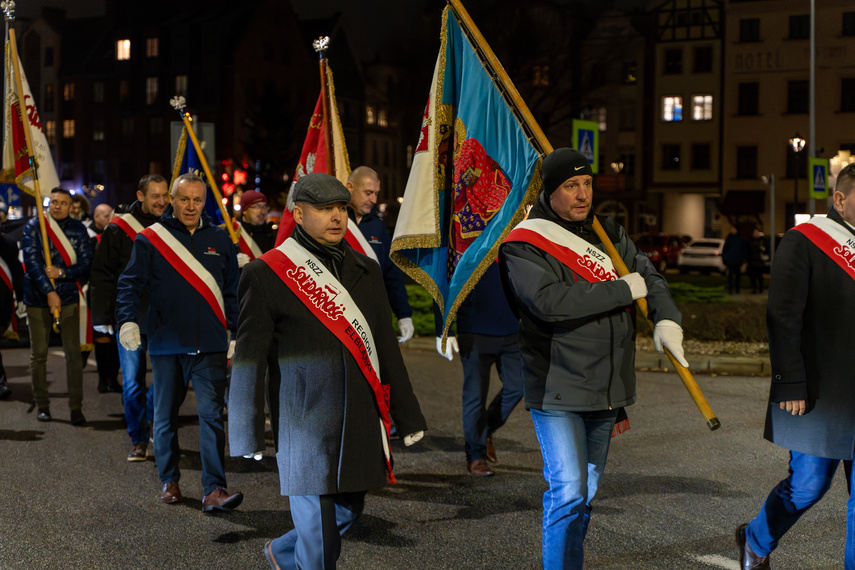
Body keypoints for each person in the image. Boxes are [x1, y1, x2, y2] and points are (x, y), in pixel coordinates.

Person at [498, 148, 687, 570]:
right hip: (557, 387)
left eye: (587, 184)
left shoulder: (608, 233)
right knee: (567, 490)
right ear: (550, 191)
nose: (583, 194)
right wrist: (623, 290)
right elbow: (549, 301)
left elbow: (647, 276)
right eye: (571, 185)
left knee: (584, 493)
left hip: (606, 388)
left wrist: (667, 318)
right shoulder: (524, 244)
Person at [228, 173, 427, 569]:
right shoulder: (266, 274)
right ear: (299, 214)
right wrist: (246, 431)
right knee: (321, 547)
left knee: (350, 508)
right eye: (324, 208)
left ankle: (283, 553)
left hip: (357, 419)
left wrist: (407, 415)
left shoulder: (366, 272)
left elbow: (385, 350)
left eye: (341, 208)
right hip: (303, 425)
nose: (336, 216)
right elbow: (249, 359)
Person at [735, 163, 855, 570]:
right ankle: (755, 540)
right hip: (820, 393)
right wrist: (790, 382)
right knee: (808, 487)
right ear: (839, 200)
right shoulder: (805, 240)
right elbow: (783, 314)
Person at [116, 173, 242, 510]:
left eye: (197, 200)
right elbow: (129, 283)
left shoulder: (219, 237)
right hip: (168, 343)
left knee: (213, 418)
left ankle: (214, 489)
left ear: (205, 201)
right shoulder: (150, 239)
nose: (190, 206)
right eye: (184, 199)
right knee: (165, 417)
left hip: (211, 346)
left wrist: (235, 331)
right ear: (172, 200)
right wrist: (127, 320)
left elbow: (232, 290)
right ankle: (170, 480)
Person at [91, 174, 168, 460]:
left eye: (165, 195)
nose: (162, 201)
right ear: (140, 196)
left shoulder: (174, 225)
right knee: (133, 381)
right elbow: (102, 275)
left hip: (164, 317)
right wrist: (102, 315)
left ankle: (146, 420)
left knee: (166, 379)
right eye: (155, 196)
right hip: (130, 316)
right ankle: (138, 438)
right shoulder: (118, 229)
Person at [434, 263, 523, 477]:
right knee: (475, 396)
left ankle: (486, 430)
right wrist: (443, 329)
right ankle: (475, 456)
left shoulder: (509, 232)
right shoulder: (464, 235)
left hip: (513, 328)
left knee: (520, 387)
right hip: (474, 330)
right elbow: (443, 282)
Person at [22, 187, 93, 424]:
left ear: (70, 206)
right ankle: (42, 403)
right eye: (53, 202)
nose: (57, 206)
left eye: (63, 203)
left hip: (70, 297)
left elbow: (86, 264)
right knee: (39, 354)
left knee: (73, 354)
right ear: (48, 203)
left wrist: (61, 272)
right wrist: (50, 291)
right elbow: (32, 263)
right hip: (37, 297)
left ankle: (76, 407)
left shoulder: (78, 228)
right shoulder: (34, 226)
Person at [346, 166, 414, 343]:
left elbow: (391, 273)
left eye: (376, 193)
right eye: (368, 193)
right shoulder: (334, 220)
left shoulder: (378, 226)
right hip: (340, 314)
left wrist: (403, 314)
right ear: (349, 187)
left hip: (371, 315)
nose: (373, 199)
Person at [86, 203, 120, 392]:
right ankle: (102, 379)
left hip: (114, 294)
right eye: (106, 215)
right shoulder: (90, 237)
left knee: (114, 342)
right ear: (96, 217)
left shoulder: (115, 235)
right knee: (101, 341)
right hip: (98, 293)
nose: (109, 218)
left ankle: (113, 379)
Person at [0, 230, 24, 399]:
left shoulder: (7, 243)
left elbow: (16, 271)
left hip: (1, 302)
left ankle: (1, 383)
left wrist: (21, 297)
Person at [235, 190, 276, 259]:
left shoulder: (271, 234)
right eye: (257, 207)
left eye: (264, 206)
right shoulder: (233, 232)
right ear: (244, 210)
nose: (262, 211)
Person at [722, 226, 748, 295]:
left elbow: (743, 249)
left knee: (737, 276)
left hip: (738, 260)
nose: (732, 230)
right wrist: (725, 258)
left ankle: (737, 289)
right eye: (731, 229)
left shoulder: (740, 239)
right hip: (730, 260)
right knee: (730, 275)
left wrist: (744, 257)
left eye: (733, 229)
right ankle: (730, 289)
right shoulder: (729, 238)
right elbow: (725, 249)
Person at [747, 228, 768, 293]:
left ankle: (760, 288)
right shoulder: (750, 241)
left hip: (759, 261)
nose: (756, 234)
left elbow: (764, 250)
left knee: (759, 276)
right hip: (752, 261)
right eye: (755, 232)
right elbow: (748, 251)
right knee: (752, 276)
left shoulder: (761, 241)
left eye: (757, 232)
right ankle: (754, 288)